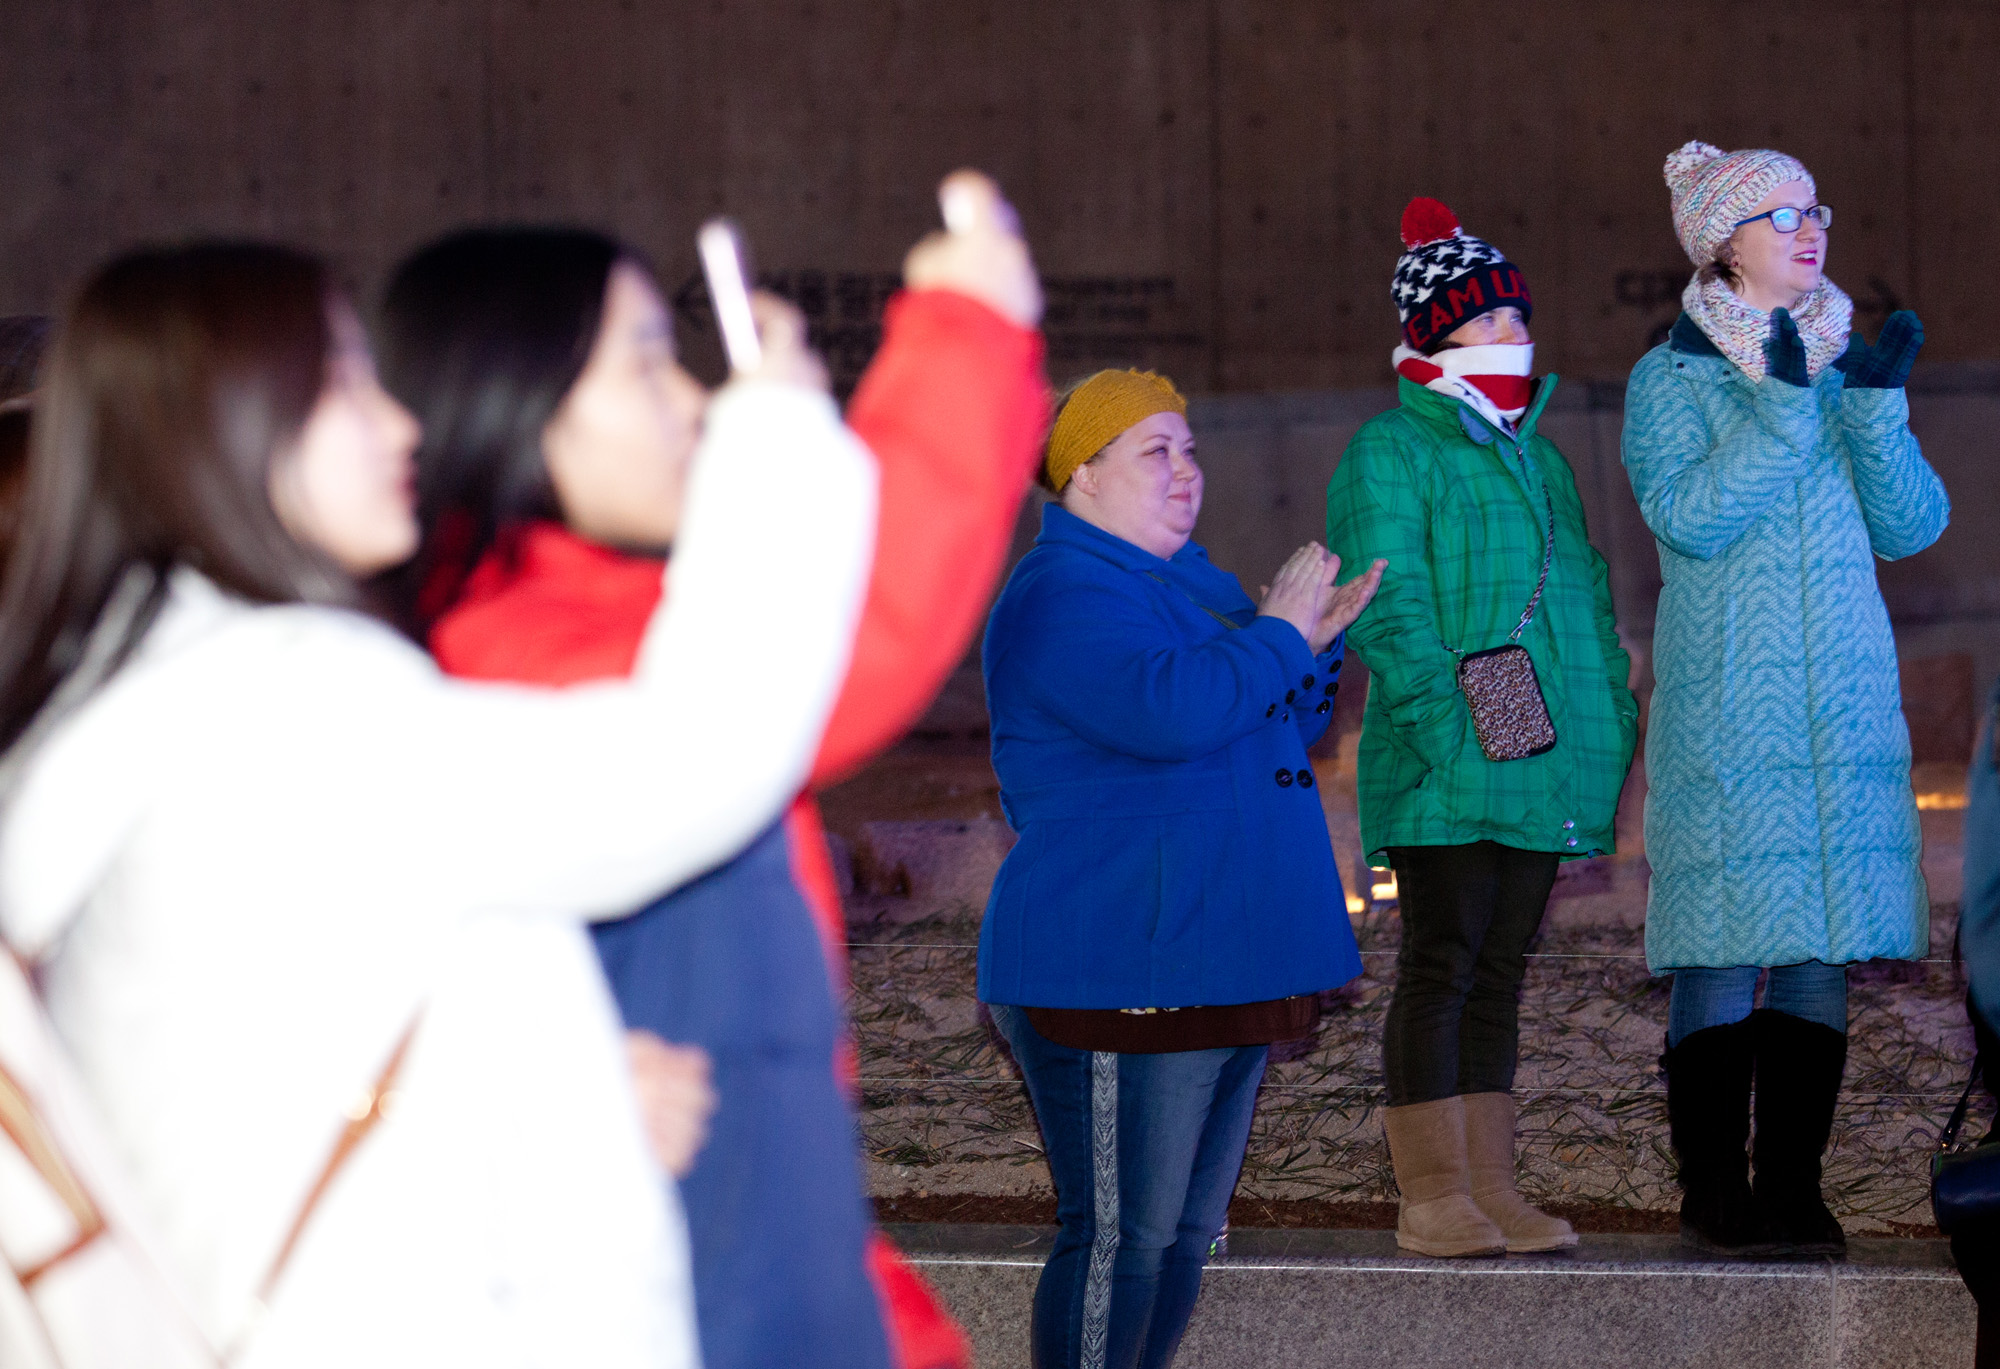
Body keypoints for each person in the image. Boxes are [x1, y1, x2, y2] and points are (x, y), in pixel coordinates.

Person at [0, 240, 876, 1366]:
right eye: (346, 384)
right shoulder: (286, 700)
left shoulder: (130, 699)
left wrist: (569, 1098)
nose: (399, 424)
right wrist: (777, 446)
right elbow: (687, 760)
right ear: (226, 424)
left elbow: (271, 1041)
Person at [381, 171, 1048, 1369]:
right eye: (644, 362)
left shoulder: (597, 626)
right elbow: (840, 644)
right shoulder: (521, 659)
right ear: (512, 400)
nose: (691, 399)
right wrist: (962, 341)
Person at [980, 367, 1381, 1369]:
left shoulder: (1186, 591)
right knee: (1120, 1236)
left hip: (1215, 954)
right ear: (1081, 478)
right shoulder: (1061, 594)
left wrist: (1310, 647)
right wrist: (1277, 635)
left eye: (1189, 447)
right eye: (1153, 450)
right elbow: (1170, 711)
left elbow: (1268, 726)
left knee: (1177, 1234)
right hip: (1117, 964)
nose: (1184, 469)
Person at [1623, 142, 1948, 1257]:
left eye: (1814, 209)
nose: (1807, 231)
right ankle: (1712, 1187)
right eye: (1776, 216)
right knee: (1720, 944)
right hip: (1732, 701)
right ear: (1722, 242)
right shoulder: (1668, 375)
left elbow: (1910, 527)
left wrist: (1874, 411)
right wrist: (1778, 415)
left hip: (1844, 703)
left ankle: (1792, 1188)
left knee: (1817, 945)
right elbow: (1687, 518)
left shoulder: (1843, 359)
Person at [1324, 198, 1638, 1258]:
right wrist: (1448, 729)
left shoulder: (1535, 457)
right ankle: (1430, 1195)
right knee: (1441, 958)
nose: (1515, 334)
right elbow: (1388, 603)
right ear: (1437, 332)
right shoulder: (1389, 449)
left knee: (1500, 964)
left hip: (1535, 733)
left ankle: (1488, 1186)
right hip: (1447, 743)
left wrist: (1610, 714)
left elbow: (1583, 607)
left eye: (1516, 317)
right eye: (1493, 320)